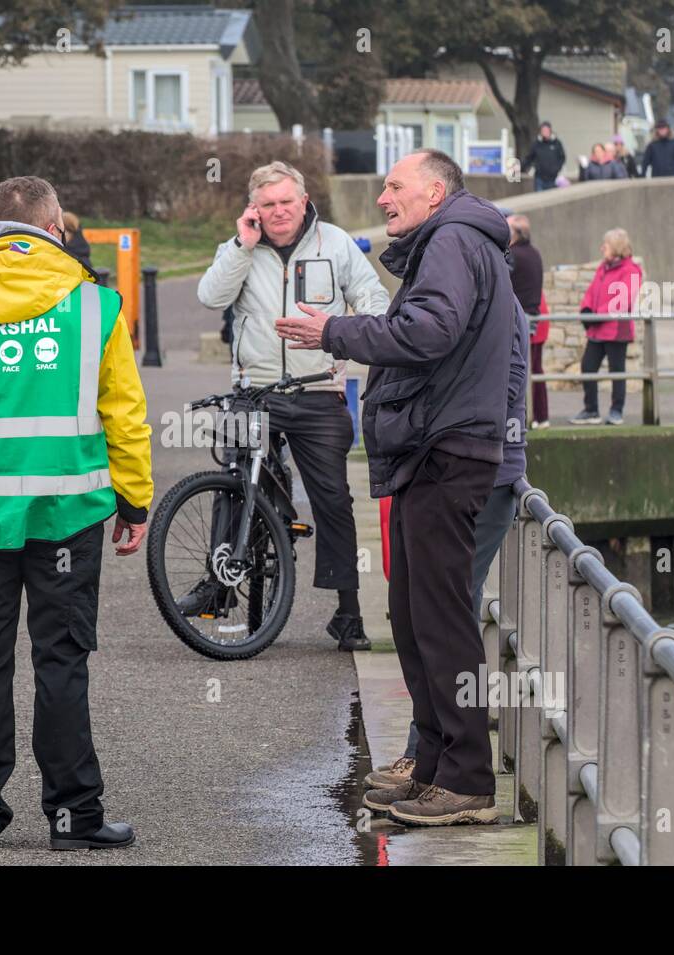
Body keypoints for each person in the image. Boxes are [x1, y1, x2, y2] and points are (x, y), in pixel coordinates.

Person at [0, 175, 153, 850]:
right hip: (68, 515)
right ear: (57, 226)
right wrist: (135, 500)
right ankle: (73, 818)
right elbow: (123, 412)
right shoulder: (95, 308)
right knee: (62, 661)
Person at [275, 149, 514, 826]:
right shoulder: (450, 239)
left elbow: (430, 330)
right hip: (429, 448)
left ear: (434, 192)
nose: (383, 198)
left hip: (447, 450)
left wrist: (335, 331)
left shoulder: (452, 240)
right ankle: (436, 766)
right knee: (413, 615)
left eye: (395, 186)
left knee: (438, 618)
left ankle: (468, 780)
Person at [197, 160, 390, 651]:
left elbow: (374, 303)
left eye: (286, 202)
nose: (278, 212)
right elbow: (210, 296)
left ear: (304, 201)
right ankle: (218, 583)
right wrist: (242, 246)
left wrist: (340, 333)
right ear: (252, 209)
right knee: (234, 482)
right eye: (267, 205)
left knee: (333, 499)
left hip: (318, 389)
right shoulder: (240, 246)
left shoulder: (336, 243)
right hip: (254, 389)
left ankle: (347, 612)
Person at [364, 299, 530, 797]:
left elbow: (510, 378)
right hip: (454, 469)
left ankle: (439, 763)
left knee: (446, 617)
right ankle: (428, 758)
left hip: (482, 474)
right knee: (428, 615)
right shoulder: (468, 292)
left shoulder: (493, 301)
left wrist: (448, 430)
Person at [567, 228, 642, 426]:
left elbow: (623, 300)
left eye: (606, 245)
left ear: (616, 247)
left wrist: (596, 315)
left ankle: (617, 410)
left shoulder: (631, 270)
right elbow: (592, 291)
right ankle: (591, 410)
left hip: (617, 330)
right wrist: (586, 309)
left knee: (617, 372)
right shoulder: (603, 267)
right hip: (597, 329)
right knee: (588, 367)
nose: (602, 248)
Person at [507, 214, 548, 428]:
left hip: (518, 320)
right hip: (533, 318)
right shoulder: (534, 253)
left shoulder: (513, 255)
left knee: (516, 370)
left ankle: (522, 419)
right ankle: (540, 416)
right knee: (533, 368)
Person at [521, 121, 565, 191]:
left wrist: (556, 169)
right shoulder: (536, 144)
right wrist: (521, 168)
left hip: (552, 178)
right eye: (543, 130)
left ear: (550, 131)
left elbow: (562, 158)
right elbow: (529, 158)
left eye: (546, 130)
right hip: (539, 178)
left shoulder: (556, 143)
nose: (545, 132)